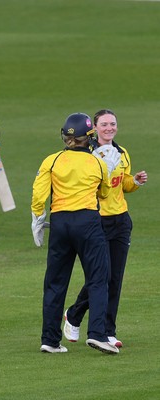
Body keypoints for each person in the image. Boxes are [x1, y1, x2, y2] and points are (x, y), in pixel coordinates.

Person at [31, 112, 122, 355]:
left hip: (59, 223)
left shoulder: (52, 160)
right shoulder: (97, 163)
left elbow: (39, 194)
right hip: (88, 223)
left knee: (55, 282)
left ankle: (50, 340)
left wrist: (37, 218)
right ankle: (98, 335)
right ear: (89, 136)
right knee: (98, 278)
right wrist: (108, 169)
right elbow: (103, 194)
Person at [64, 109, 148, 347]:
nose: (109, 128)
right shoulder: (87, 155)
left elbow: (123, 184)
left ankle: (108, 331)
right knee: (101, 275)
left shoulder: (121, 153)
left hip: (120, 220)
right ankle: (75, 314)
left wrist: (135, 182)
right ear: (95, 128)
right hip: (95, 219)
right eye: (104, 124)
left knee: (115, 278)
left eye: (113, 124)